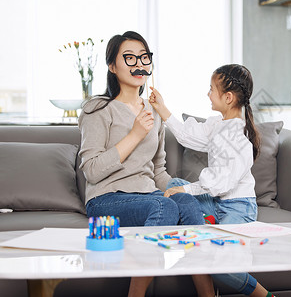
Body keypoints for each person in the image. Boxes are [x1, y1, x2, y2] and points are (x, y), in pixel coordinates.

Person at [77, 31, 207, 297]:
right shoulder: (98, 109)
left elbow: (157, 169)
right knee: (162, 204)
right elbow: (91, 169)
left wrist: (177, 188)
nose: (139, 63)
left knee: (186, 203)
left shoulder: (153, 111)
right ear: (112, 66)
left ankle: (208, 293)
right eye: (129, 57)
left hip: (149, 195)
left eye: (144, 57)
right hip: (106, 199)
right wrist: (134, 135)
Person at [149, 64, 275, 297]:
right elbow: (188, 136)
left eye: (211, 89)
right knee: (174, 185)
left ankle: (265, 295)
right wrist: (162, 108)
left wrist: (188, 190)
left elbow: (220, 183)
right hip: (216, 200)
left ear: (228, 97)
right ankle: (206, 224)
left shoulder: (239, 136)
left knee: (219, 267)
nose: (208, 94)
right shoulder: (218, 124)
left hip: (237, 205)